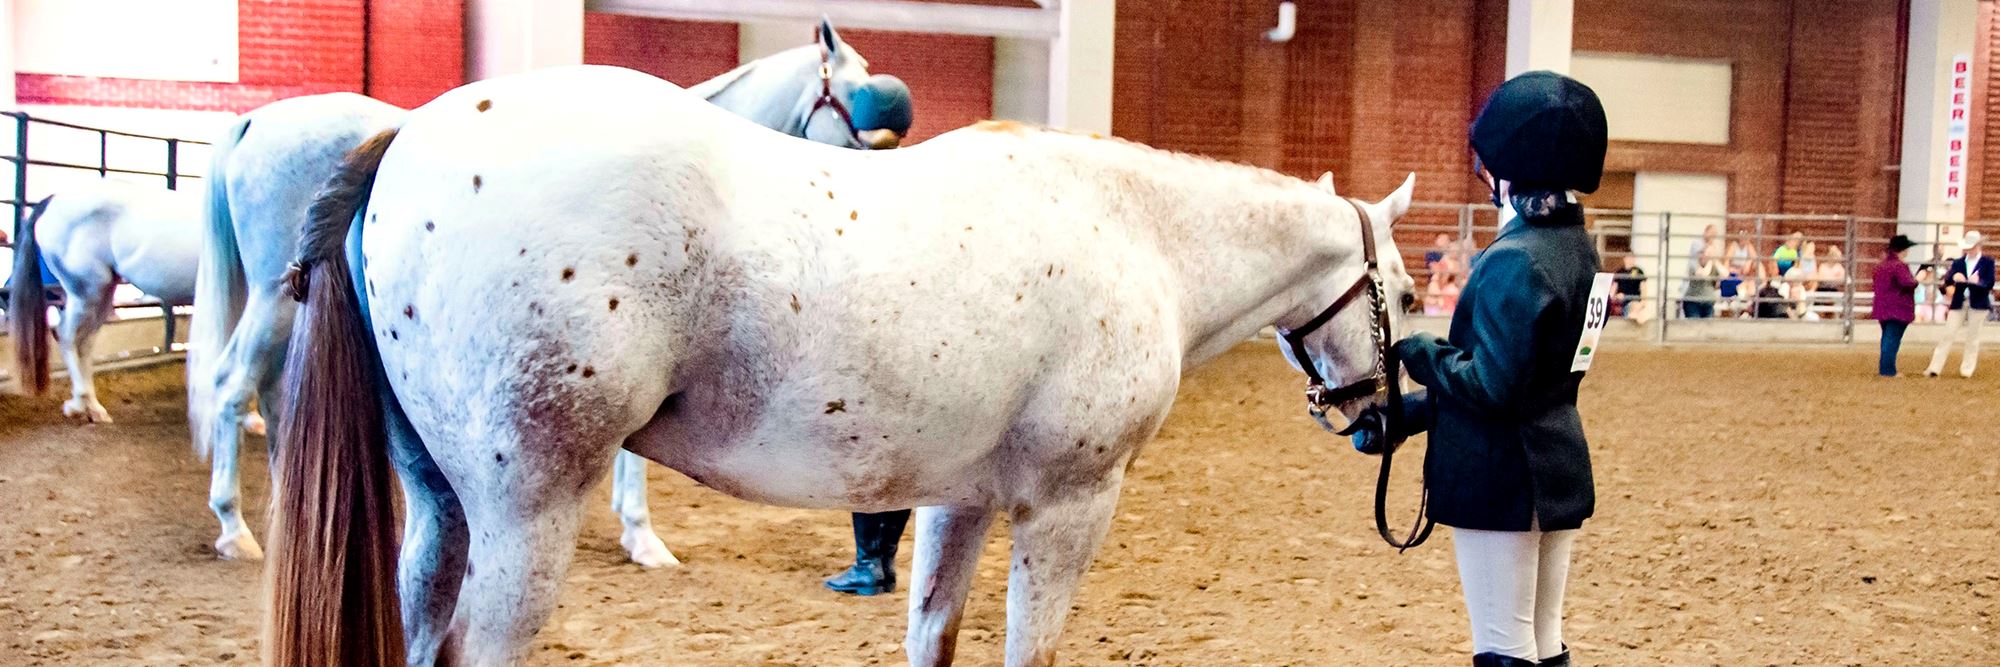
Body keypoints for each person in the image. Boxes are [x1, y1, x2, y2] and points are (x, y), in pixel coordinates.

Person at [1355, 70, 1605, 667]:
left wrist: (1422, 355)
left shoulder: (1517, 260)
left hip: (1501, 476)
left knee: (1505, 647)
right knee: (1544, 642)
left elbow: (1492, 385)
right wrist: (1411, 415)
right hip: (1555, 459)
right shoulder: (1580, 250)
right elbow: (1528, 377)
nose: (1486, 175)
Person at [819, 74, 917, 597]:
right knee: (905, 453)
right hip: (920, 331)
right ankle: (884, 560)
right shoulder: (923, 174)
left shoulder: (845, 175)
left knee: (864, 449)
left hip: (865, 330)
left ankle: (867, 564)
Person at [1925, 231, 1993, 378]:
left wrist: (1979, 282)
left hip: (1978, 304)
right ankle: (1934, 368)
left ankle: (1967, 369)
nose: (1968, 250)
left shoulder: (1988, 262)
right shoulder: (1958, 263)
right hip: (1959, 302)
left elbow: (1990, 282)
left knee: (1973, 337)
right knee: (1948, 334)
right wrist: (1954, 278)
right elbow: (1947, 282)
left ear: (1978, 245)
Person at [1872, 236, 1920, 377]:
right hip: (1897, 307)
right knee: (1892, 339)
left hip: (1882, 306)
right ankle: (1887, 370)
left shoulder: (1881, 266)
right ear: (1903, 250)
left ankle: (1885, 367)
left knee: (1887, 338)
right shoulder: (1899, 266)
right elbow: (1907, 283)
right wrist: (1917, 281)